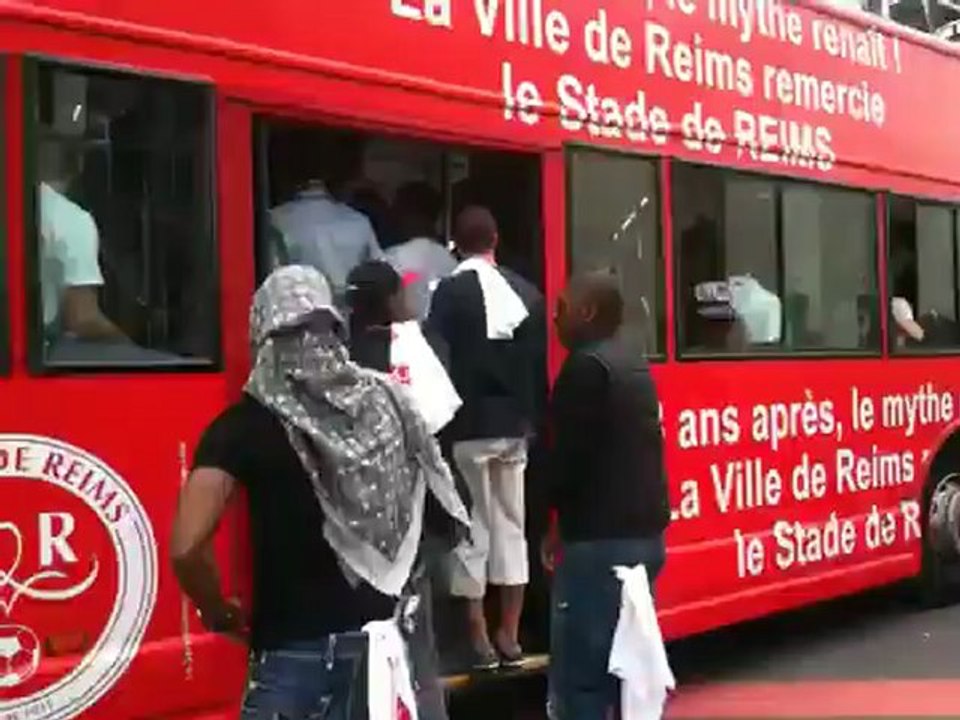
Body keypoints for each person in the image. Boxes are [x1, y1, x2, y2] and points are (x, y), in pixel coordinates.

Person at [170, 265, 468, 720]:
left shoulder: (243, 426)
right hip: (384, 653)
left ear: (263, 335)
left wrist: (218, 610)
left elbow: (187, 548)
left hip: (295, 660)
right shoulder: (387, 405)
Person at [541, 272, 671, 720]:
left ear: (587, 312)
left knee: (582, 677)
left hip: (596, 543)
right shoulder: (633, 363)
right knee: (626, 674)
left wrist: (547, 520)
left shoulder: (584, 369)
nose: (554, 320)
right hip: (644, 538)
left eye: (560, 309)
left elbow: (566, 460)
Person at [426, 206, 545, 670]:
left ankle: (477, 636)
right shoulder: (526, 293)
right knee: (512, 525)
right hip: (514, 428)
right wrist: (531, 421)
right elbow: (536, 369)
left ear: (457, 243)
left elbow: (436, 358)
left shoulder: (450, 293)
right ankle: (510, 634)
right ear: (496, 240)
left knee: (473, 529)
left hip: (468, 428)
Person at [346, 259, 463, 720]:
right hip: (414, 516)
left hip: (357, 520)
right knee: (417, 640)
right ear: (394, 299)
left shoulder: (340, 355)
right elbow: (443, 420)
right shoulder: (426, 347)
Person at [269, 131, 383, 309]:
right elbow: (381, 275)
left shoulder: (275, 220)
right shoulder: (360, 221)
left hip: (304, 322)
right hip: (351, 321)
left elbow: (272, 282)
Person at [38, 139, 126, 345]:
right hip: (41, 351)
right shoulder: (72, 219)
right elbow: (82, 318)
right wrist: (127, 346)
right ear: (77, 167)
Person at [386, 182, 457, 322]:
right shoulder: (452, 262)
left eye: (397, 211)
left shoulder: (394, 257)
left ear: (409, 214)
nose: (393, 219)